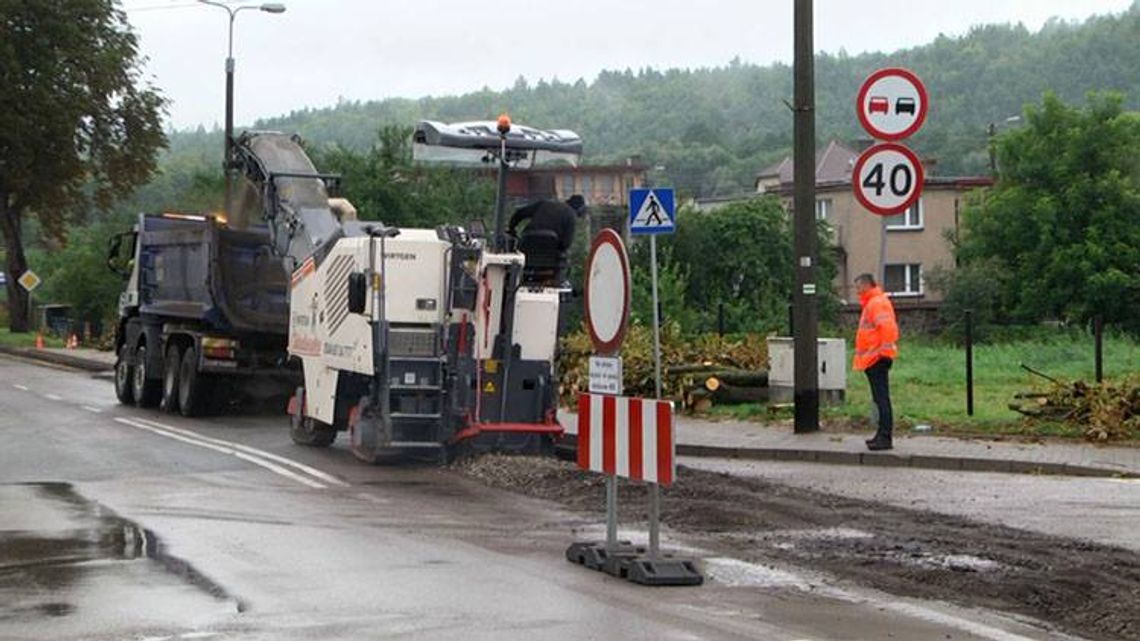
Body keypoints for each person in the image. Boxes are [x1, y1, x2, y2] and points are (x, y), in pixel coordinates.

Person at [853, 273, 899, 451]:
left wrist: (883, 353)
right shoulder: (874, 303)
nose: (857, 291)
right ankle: (881, 435)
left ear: (865, 286)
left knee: (881, 399)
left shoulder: (876, 303)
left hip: (877, 358)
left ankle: (884, 437)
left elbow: (887, 329)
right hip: (875, 358)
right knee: (879, 399)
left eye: (858, 287)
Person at [507, 194, 586, 252]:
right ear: (578, 210)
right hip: (551, 256)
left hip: (527, 246)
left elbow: (520, 213)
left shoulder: (544, 204)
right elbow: (566, 243)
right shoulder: (571, 215)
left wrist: (511, 229)